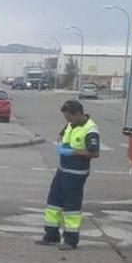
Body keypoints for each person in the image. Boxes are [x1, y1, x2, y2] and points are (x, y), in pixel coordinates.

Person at [37, 100, 100, 251]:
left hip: (76, 173)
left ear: (78, 114)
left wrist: (73, 151)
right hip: (62, 170)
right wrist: (60, 144)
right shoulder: (71, 124)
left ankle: (71, 240)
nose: (67, 121)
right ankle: (51, 236)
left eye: (69, 117)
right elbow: (62, 135)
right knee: (53, 203)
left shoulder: (90, 129)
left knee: (71, 207)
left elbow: (94, 153)